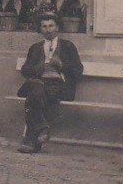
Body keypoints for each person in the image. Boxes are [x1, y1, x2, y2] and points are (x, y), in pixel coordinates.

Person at [17, 12, 84, 153]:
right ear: (40, 29)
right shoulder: (35, 48)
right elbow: (25, 71)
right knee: (38, 87)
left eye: (51, 26)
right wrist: (36, 67)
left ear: (57, 27)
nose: (48, 29)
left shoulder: (68, 46)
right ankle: (42, 128)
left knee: (34, 95)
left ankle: (30, 141)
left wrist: (61, 65)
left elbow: (78, 71)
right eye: (44, 26)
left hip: (58, 86)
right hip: (38, 82)